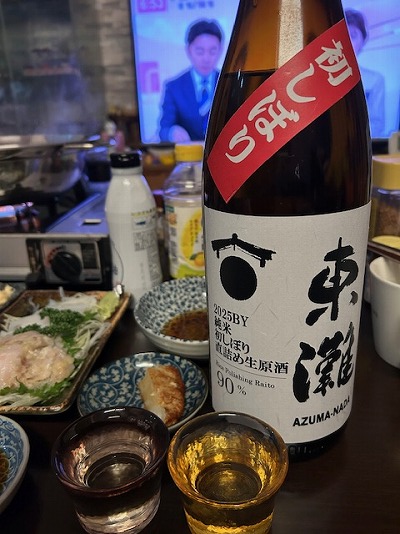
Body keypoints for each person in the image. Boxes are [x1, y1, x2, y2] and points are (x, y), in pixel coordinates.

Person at [158, 19, 224, 142]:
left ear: (221, 50)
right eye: (200, 51)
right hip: (189, 152)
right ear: (189, 50)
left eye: (212, 51)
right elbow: (164, 129)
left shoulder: (228, 83)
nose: (206, 58)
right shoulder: (174, 87)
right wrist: (172, 132)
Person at [345, 8, 385, 138]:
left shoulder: (375, 80)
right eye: (343, 36)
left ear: (363, 41)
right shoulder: (319, 78)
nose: (346, 41)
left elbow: (377, 124)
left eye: (353, 36)